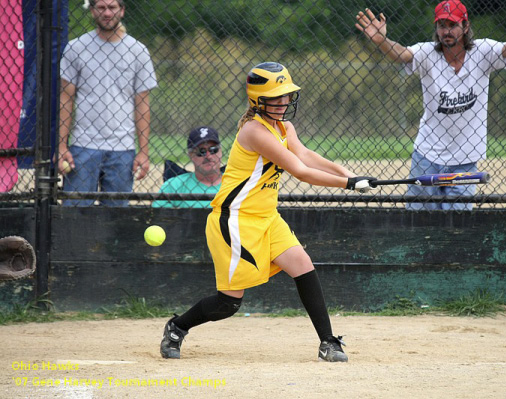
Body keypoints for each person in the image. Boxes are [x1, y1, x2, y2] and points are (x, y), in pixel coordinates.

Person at [159, 62, 377, 362]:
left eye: (285, 95)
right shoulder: (254, 131)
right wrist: (348, 183)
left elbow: (306, 155)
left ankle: (328, 341)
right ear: (256, 101)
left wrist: (348, 172)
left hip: (266, 216)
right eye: (275, 97)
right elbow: (300, 171)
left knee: (302, 264)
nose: (283, 102)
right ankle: (177, 327)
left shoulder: (284, 126)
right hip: (235, 220)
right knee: (228, 304)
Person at [355, 0, 506, 210]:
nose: (446, 31)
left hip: (465, 158)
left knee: (457, 227)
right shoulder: (427, 54)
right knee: (417, 222)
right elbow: (402, 53)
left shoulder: (482, 52)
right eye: (441, 25)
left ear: (466, 26)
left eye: (452, 25)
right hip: (427, 155)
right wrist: (381, 40)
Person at [58, 0, 157, 206]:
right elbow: (66, 98)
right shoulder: (76, 47)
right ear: (92, 11)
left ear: (122, 10)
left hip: (123, 147)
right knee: (75, 214)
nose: (107, 13)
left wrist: (143, 151)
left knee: (116, 219)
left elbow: (142, 103)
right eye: (101, 7)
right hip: (83, 144)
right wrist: (61, 146)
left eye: (112, 7)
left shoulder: (138, 51)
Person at [152, 127, 223, 209]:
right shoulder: (174, 185)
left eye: (213, 149)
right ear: (191, 155)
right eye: (201, 151)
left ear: (220, 151)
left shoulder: (235, 183)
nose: (208, 156)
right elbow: (159, 218)